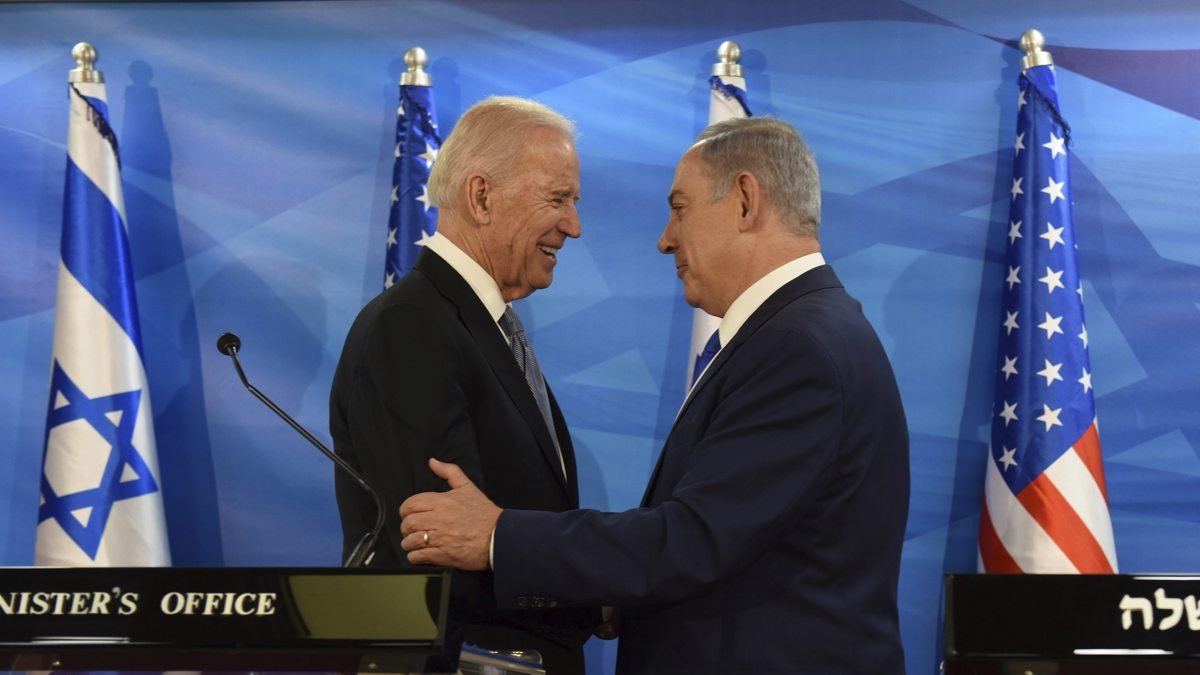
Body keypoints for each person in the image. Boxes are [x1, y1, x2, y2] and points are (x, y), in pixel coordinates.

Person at [398, 116, 911, 674]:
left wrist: (498, 535)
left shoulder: (798, 347)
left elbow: (695, 538)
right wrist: (612, 593)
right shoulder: (805, 331)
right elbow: (737, 538)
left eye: (680, 209)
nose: (666, 239)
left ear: (745, 201)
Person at [329, 96, 595, 674]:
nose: (573, 226)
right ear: (481, 196)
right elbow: (439, 550)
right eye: (558, 199)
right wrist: (592, 587)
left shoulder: (477, 325)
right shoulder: (412, 327)